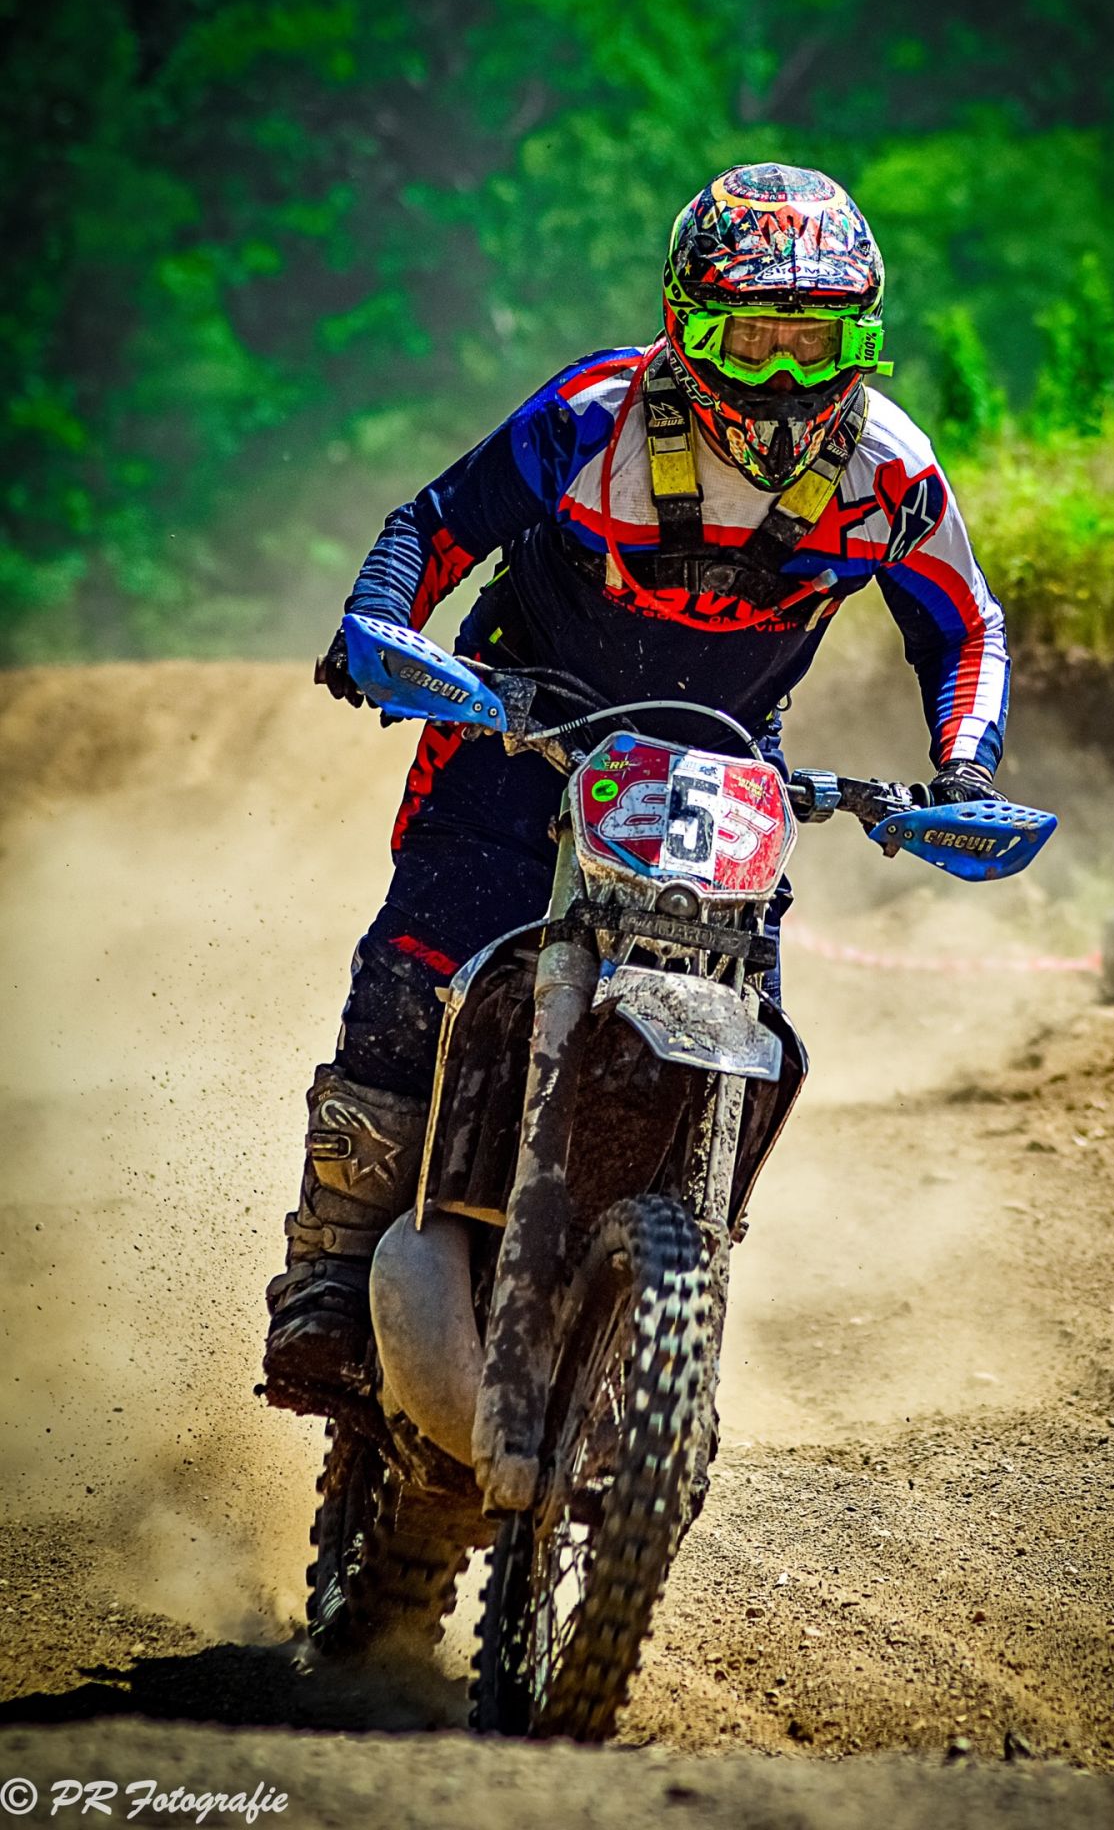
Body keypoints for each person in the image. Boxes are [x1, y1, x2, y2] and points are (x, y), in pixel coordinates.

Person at [262, 161, 1010, 1408]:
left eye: (814, 341)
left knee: (754, 1026)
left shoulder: (893, 471)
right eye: (747, 340)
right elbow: (433, 523)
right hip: (520, 732)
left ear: (862, 341)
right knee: (413, 965)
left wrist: (963, 768)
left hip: (722, 766)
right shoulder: (587, 416)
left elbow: (963, 627)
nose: (782, 377)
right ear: (682, 326)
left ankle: (674, 1292)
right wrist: (377, 625)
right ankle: (331, 1273)